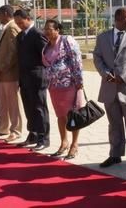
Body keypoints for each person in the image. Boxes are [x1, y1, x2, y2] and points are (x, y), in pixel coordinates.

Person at [93, 7, 126, 171]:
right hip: (109, 88)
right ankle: (115, 154)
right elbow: (97, 57)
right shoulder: (102, 38)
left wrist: (123, 77)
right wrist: (105, 74)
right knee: (114, 124)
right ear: (117, 18)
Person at [42, 19, 85, 160]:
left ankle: (74, 144)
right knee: (60, 115)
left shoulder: (67, 40)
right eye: (45, 29)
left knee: (72, 115)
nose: (47, 31)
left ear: (57, 29)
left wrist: (79, 81)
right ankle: (63, 142)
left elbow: (76, 60)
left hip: (69, 85)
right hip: (54, 87)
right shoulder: (46, 45)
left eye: (50, 29)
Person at [13, 10, 50, 149]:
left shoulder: (38, 34)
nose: (19, 25)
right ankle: (33, 134)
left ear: (28, 19)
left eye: (20, 22)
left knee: (39, 108)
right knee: (29, 108)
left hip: (37, 78)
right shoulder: (20, 36)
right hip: (24, 78)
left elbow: (46, 56)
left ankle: (43, 138)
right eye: (16, 23)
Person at [0, 5, 23, 142]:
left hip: (10, 73)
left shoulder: (12, 28)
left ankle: (16, 130)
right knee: (3, 102)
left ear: (5, 13)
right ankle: (3, 127)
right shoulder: (5, 28)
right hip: (2, 74)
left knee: (12, 103)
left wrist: (2, 67)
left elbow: (13, 52)